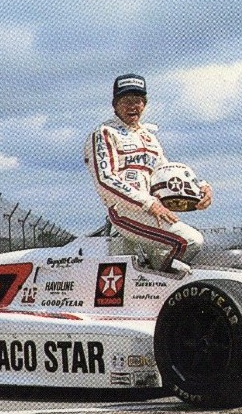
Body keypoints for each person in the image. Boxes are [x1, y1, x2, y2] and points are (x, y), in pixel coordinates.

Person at [84, 73, 212, 271]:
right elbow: (105, 179)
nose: (133, 106)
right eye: (126, 101)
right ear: (115, 104)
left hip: (153, 213)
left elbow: (166, 172)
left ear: (144, 104)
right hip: (125, 212)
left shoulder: (149, 137)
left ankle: (160, 292)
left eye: (138, 101)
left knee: (157, 264)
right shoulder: (104, 133)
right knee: (189, 241)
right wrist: (148, 202)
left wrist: (200, 188)